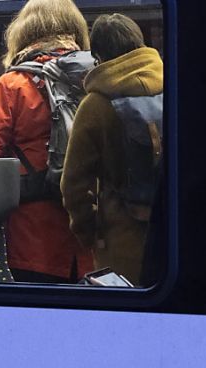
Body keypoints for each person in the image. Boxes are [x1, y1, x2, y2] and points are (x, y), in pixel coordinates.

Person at [0, 0, 94, 283]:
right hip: (90, 230)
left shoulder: (13, 84)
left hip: (33, 234)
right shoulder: (95, 78)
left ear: (25, 31)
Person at [61, 14, 164, 285]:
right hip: (173, 236)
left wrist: (90, 234)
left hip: (119, 239)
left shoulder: (96, 105)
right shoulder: (174, 88)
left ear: (99, 56)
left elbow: (74, 184)